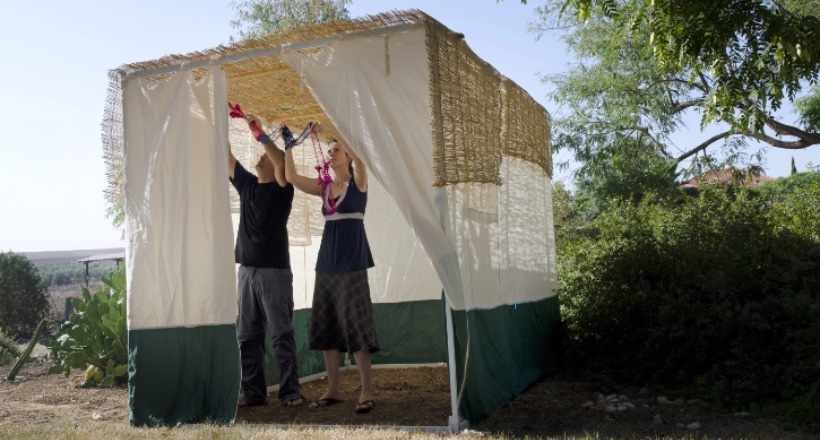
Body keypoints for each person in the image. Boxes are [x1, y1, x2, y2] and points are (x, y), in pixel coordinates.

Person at [283, 121, 379, 415]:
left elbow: (360, 158)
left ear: (348, 155)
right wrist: (288, 145)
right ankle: (334, 389)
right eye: (330, 149)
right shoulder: (325, 187)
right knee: (326, 326)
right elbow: (291, 177)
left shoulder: (359, 182)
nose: (332, 153)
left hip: (352, 263)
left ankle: (366, 390)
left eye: (337, 149)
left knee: (357, 326)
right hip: (326, 264)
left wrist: (335, 131)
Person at [228, 115, 303, 408]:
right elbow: (227, 157)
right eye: (261, 154)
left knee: (281, 334)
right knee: (247, 336)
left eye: (266, 157)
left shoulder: (283, 191)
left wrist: (260, 135)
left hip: (275, 274)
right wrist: (218, 119)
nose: (262, 157)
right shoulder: (246, 183)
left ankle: (290, 392)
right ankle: (254, 394)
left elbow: (281, 162)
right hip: (246, 272)